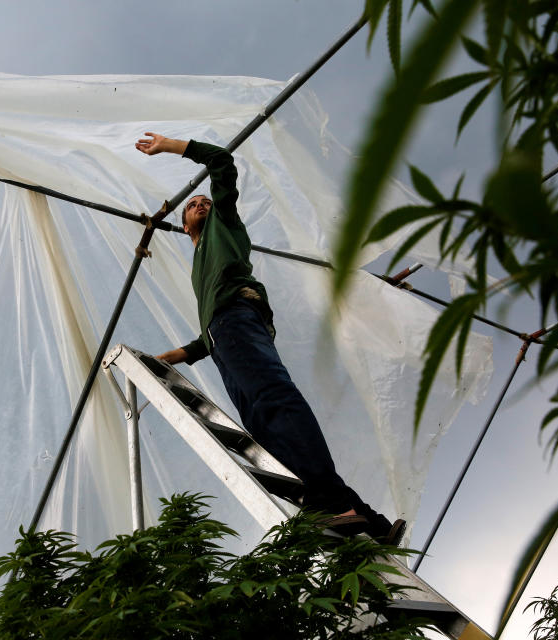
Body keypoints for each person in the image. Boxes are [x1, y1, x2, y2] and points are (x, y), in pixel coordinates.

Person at [135, 132, 404, 544]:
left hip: (237, 321)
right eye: (192, 205)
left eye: (203, 200)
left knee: (277, 401)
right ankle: (369, 520)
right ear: (183, 224)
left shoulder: (223, 226)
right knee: (266, 427)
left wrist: (172, 146)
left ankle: (333, 504)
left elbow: (222, 163)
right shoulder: (200, 266)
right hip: (223, 337)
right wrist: (172, 357)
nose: (200, 203)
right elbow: (207, 338)